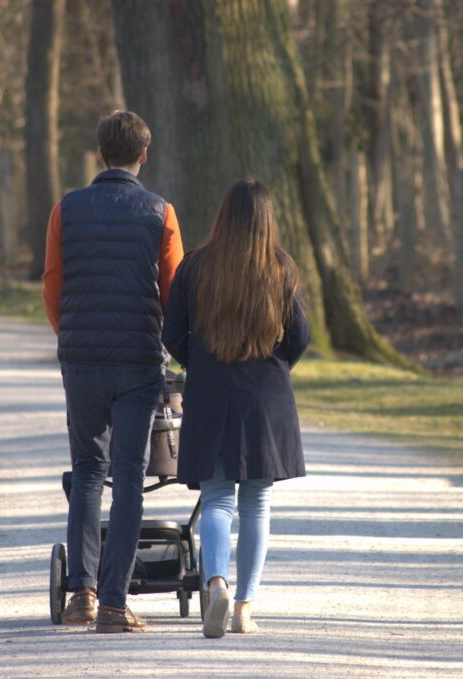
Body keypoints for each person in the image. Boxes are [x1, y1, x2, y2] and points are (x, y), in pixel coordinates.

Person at [42, 111, 184, 633]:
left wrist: (71, 335)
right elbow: (173, 291)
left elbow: (52, 284)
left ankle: (81, 593)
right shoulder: (161, 213)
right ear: (144, 155)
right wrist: (168, 346)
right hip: (138, 361)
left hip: (81, 360)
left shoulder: (66, 210)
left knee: (86, 471)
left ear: (100, 153)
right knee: (128, 478)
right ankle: (113, 603)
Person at [161, 177, 310, 639]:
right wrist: (276, 364)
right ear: (267, 222)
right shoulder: (281, 269)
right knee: (257, 503)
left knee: (218, 500)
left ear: (223, 217)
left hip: (211, 394)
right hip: (265, 398)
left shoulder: (195, 266)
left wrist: (199, 362)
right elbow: (300, 336)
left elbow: (172, 333)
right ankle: (245, 606)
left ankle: (216, 585)